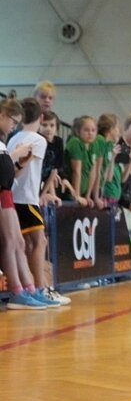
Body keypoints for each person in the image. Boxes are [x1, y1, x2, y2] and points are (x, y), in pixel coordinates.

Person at [8, 98, 69, 305]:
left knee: (26, 244)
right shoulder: (39, 141)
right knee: (39, 242)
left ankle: (30, 287)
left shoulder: (13, 138)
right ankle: (40, 288)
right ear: (41, 118)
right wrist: (43, 192)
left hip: (16, 197)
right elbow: (26, 170)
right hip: (26, 198)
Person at [62, 116, 99, 207]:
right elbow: (76, 171)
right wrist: (77, 196)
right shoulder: (75, 142)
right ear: (78, 131)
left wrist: (88, 196)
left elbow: (93, 172)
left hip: (83, 192)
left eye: (93, 130)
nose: (90, 133)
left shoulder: (94, 144)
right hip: (69, 191)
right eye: (86, 130)